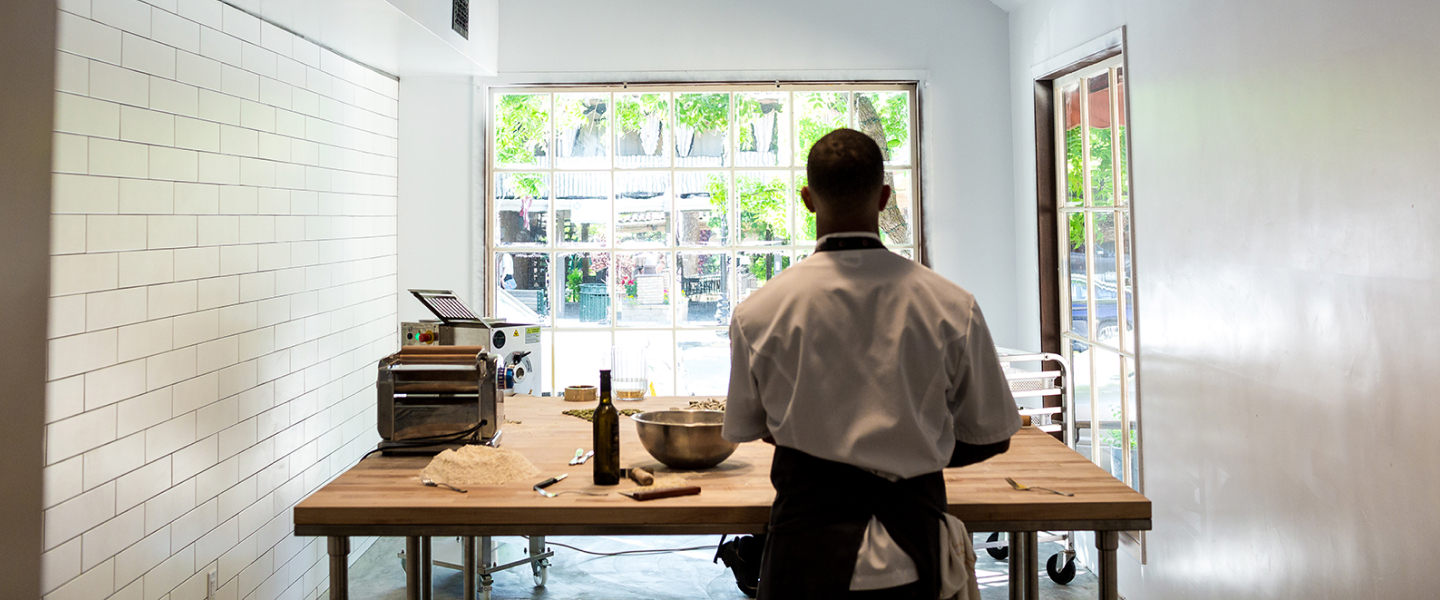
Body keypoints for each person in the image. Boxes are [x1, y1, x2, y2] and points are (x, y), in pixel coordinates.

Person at [718, 128, 1021, 599]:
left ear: (806, 199)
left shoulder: (759, 312)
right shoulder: (950, 305)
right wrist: (913, 446)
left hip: (806, 551)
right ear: (884, 197)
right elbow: (991, 433)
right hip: (912, 548)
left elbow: (757, 426)